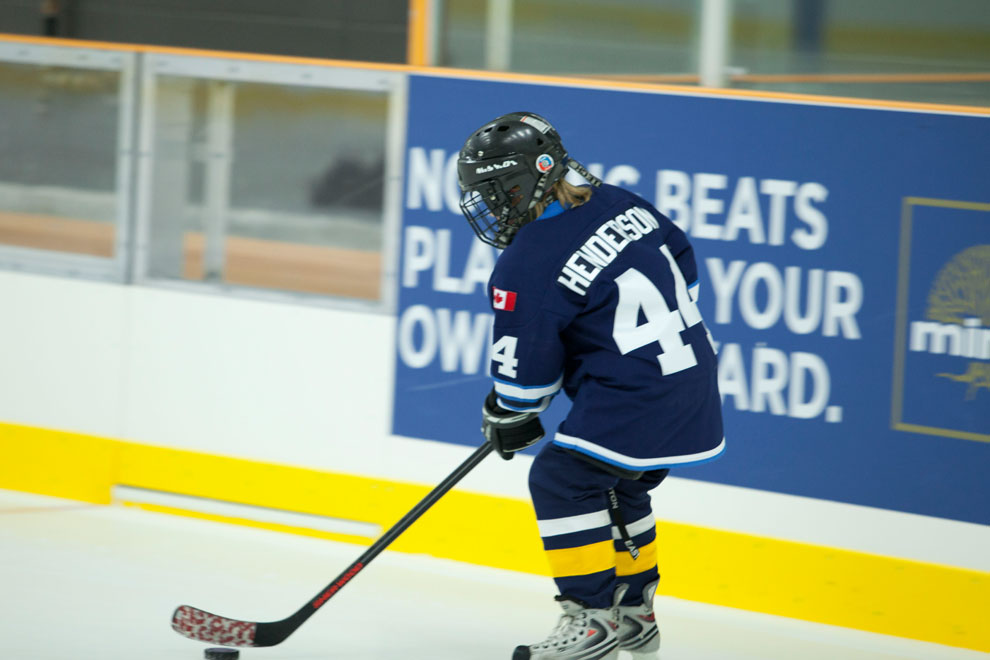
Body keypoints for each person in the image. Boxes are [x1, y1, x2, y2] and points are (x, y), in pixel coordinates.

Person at [456, 112, 725, 660]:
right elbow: (685, 272)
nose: (496, 206)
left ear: (539, 174)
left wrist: (510, 410)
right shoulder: (622, 203)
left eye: (501, 190)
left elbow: (526, 371)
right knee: (618, 486)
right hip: (690, 379)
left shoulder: (527, 259)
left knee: (560, 478)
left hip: (636, 395)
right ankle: (636, 615)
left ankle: (591, 619)